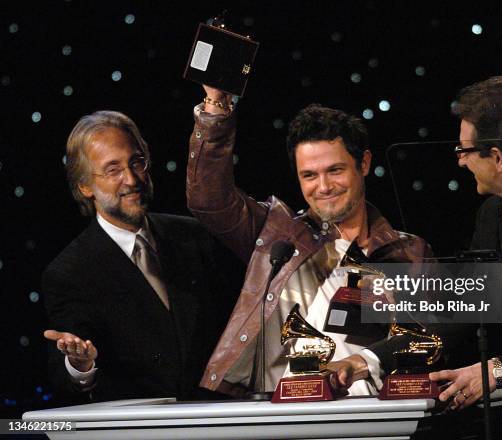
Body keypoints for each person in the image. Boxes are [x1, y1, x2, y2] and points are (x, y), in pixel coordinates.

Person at [335, 76, 502, 439]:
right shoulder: (492, 215)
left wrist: (498, 371)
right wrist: (370, 359)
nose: (460, 161)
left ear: (497, 157)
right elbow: (460, 312)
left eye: (464, 150)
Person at [186, 86, 431, 397]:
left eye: (335, 170)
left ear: (364, 164)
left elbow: (427, 343)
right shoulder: (277, 235)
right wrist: (216, 109)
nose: (324, 187)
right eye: (309, 175)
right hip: (280, 414)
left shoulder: (410, 252)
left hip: (374, 417)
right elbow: (208, 199)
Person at [43, 110, 236, 403]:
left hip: (217, 416)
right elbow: (66, 363)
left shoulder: (194, 236)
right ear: (84, 186)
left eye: (136, 162)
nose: (131, 179)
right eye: (112, 170)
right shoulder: (70, 272)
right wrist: (80, 365)